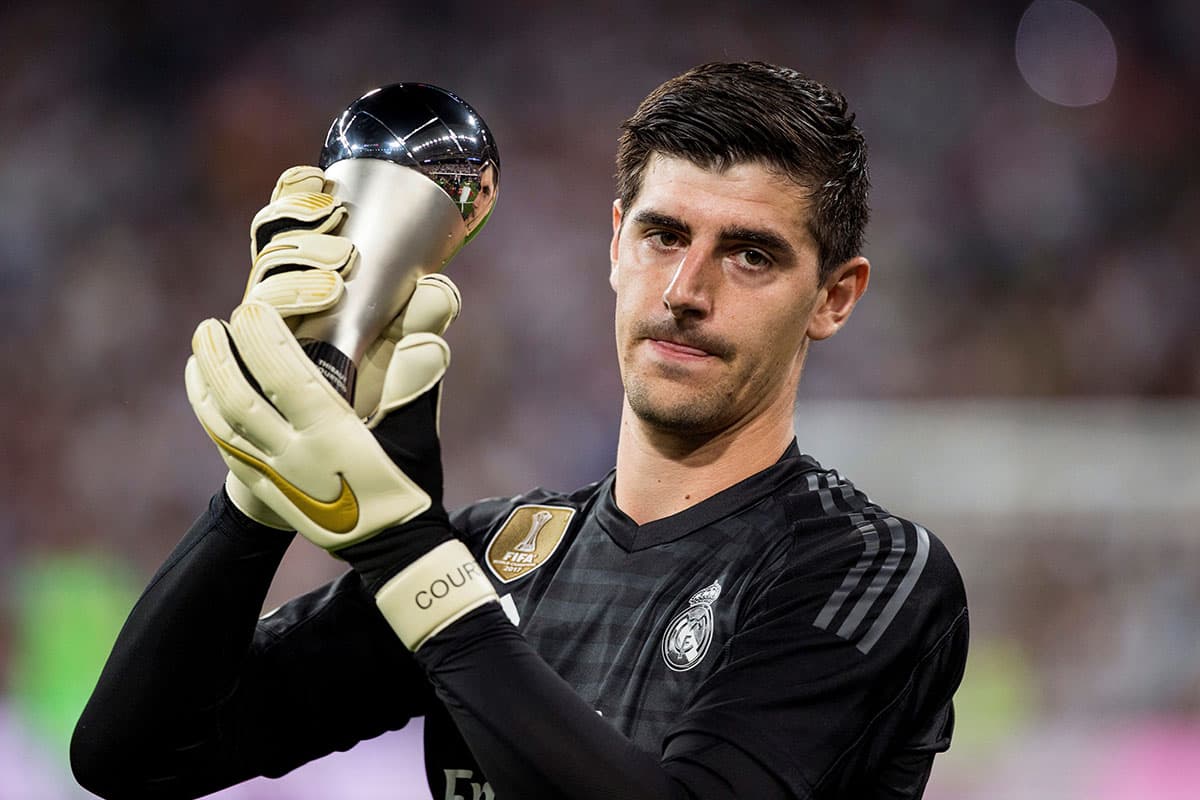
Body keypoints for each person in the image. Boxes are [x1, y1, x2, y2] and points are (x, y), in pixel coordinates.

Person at [71, 61, 968, 799]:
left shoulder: (869, 569)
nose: (686, 291)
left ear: (834, 298)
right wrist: (262, 485)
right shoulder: (502, 556)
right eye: (663, 235)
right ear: (615, 244)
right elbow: (132, 755)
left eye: (750, 254)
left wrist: (405, 553)